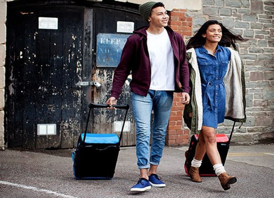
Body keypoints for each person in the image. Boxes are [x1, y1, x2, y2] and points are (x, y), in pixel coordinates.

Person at [106, 1, 190, 192]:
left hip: (166, 91)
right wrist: (114, 94)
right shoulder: (136, 39)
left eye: (166, 13)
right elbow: (122, 68)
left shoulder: (175, 38)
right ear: (149, 17)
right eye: (160, 14)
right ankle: (143, 176)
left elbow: (183, 65)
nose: (165, 16)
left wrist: (186, 89)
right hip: (142, 91)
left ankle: (153, 172)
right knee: (144, 132)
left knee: (159, 133)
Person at [184, 20, 247, 190]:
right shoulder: (194, 54)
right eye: (212, 30)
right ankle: (222, 175)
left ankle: (194, 168)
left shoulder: (227, 54)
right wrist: (188, 102)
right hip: (200, 97)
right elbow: (186, 77)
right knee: (210, 136)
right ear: (204, 34)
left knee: (205, 138)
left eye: (219, 31)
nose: (217, 33)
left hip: (219, 97)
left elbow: (233, 76)